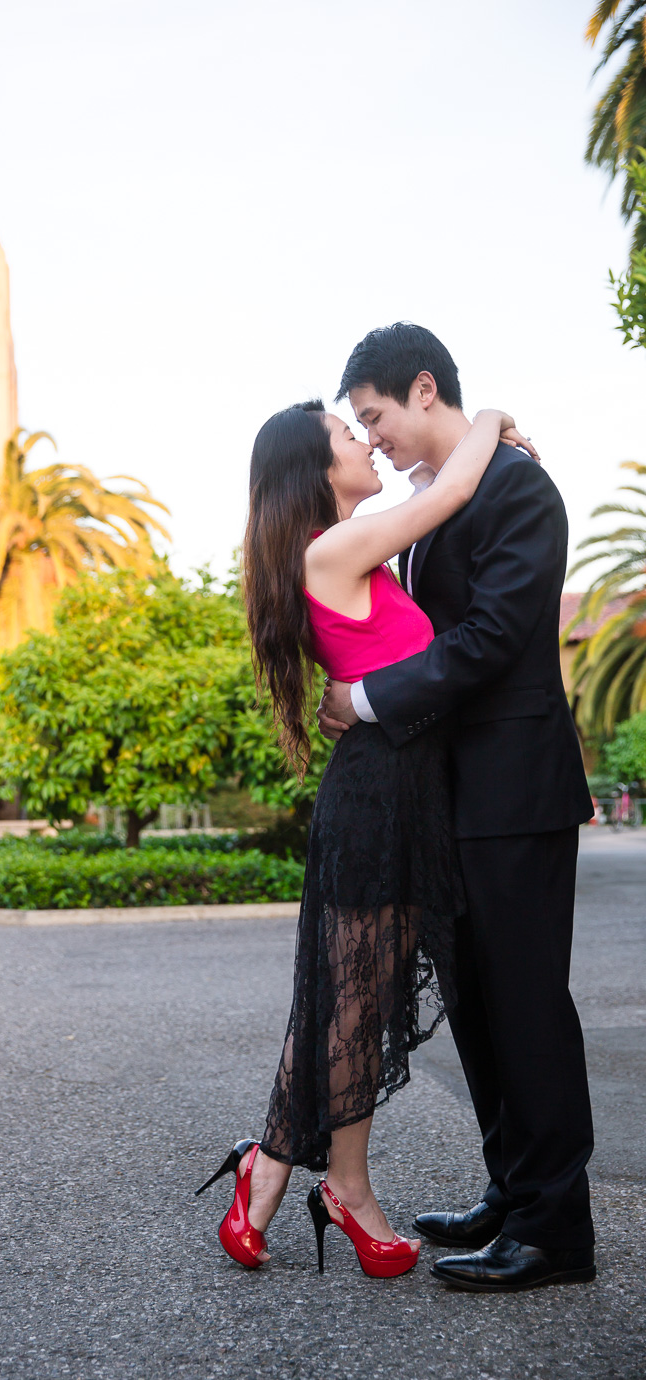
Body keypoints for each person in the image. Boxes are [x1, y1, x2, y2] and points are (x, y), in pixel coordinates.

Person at [197, 391, 531, 1278]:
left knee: (357, 1002)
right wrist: (491, 418)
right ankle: (328, 1186)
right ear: (317, 467)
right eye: (350, 433)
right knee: (352, 1004)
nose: (365, 441)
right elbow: (448, 494)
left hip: (394, 791)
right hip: (378, 798)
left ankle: (272, 1176)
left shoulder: (350, 556)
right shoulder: (337, 546)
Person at [317, 322, 596, 1293]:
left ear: (422, 389)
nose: (373, 436)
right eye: (359, 425)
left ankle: (556, 1232)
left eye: (374, 416)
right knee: (477, 1010)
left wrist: (366, 701)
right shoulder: (431, 509)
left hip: (514, 793)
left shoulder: (516, 487)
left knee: (525, 1009)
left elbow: (484, 640)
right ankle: (509, 1191)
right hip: (449, 800)